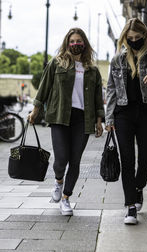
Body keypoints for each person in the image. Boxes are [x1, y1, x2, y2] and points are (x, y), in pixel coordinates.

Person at [28, 28, 104, 216]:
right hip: (60, 117)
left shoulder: (92, 70)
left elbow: (97, 98)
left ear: (84, 44)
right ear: (67, 43)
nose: (75, 44)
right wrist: (35, 110)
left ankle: (66, 198)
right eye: (72, 41)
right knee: (61, 159)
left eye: (79, 41)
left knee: (75, 161)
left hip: (83, 119)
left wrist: (99, 121)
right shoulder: (57, 64)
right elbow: (44, 88)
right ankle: (58, 181)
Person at [105, 18, 147, 225]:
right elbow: (111, 89)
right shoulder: (118, 60)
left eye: (137, 37)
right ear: (125, 38)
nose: (133, 41)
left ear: (145, 36)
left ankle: (137, 188)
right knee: (127, 160)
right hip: (123, 115)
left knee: (145, 160)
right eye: (129, 38)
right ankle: (130, 206)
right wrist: (109, 118)